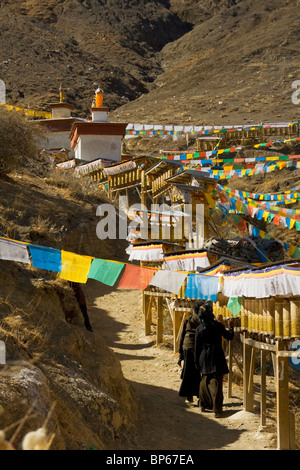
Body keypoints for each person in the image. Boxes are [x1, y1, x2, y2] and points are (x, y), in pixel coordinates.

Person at [194, 303, 234, 417]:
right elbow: (229, 336)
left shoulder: (199, 328)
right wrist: (231, 326)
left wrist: (196, 362)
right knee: (217, 381)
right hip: (216, 355)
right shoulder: (217, 326)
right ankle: (217, 409)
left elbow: (196, 347)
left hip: (204, 357)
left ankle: (203, 405)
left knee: (204, 381)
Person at [178, 300, 204, 405]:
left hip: (188, 347)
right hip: (200, 349)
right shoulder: (203, 320)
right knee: (199, 373)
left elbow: (182, 336)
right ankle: (199, 396)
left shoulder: (189, 320)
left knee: (188, 372)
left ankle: (189, 396)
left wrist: (180, 353)